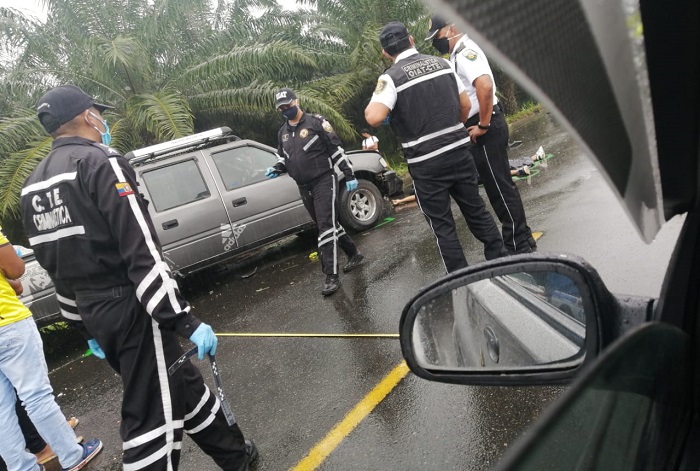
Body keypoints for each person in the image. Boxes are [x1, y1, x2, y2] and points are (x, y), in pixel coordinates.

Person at [20, 85, 257, 470]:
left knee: (177, 383)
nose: (103, 120)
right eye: (99, 112)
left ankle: (236, 457)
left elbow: (55, 267)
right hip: (133, 310)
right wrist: (185, 320)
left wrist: (86, 328)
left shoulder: (33, 186)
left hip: (96, 313)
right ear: (85, 116)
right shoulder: (100, 162)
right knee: (150, 417)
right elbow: (142, 253)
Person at [365, 22, 507, 273]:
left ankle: (462, 281)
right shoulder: (443, 65)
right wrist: (452, 129)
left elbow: (374, 117)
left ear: (386, 53)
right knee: (477, 211)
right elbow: (464, 105)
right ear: (411, 40)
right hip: (460, 153)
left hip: (426, 164)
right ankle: (502, 262)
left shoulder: (391, 77)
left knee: (443, 226)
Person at [426, 16, 537, 254]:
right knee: (500, 185)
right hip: (483, 125)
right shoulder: (457, 54)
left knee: (499, 189)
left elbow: (484, 86)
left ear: (452, 28)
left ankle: (518, 246)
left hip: (486, 127)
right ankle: (524, 238)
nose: (437, 41)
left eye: (438, 36)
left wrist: (483, 125)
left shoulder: (466, 51)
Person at [0, 227, 102, 471]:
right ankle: (72, 455)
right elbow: (15, 269)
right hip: (8, 324)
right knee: (35, 396)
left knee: (1, 409)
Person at [266, 88, 365, 296]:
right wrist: (277, 167)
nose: (286, 110)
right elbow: (283, 157)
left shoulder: (316, 122)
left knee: (325, 227)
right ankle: (354, 254)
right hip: (303, 186)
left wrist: (349, 174)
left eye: (288, 105)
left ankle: (331, 276)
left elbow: (336, 149)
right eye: (281, 108)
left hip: (323, 181)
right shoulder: (282, 132)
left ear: (297, 101)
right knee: (328, 224)